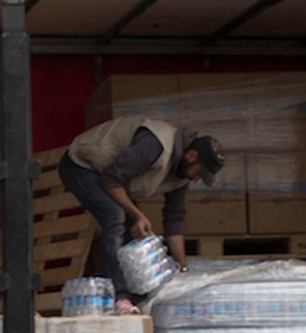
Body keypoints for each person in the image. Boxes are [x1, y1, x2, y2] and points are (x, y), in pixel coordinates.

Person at [60, 117, 224, 311]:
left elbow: (174, 219)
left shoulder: (182, 175)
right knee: (115, 215)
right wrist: (138, 215)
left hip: (115, 180)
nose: (197, 179)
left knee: (136, 233)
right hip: (83, 165)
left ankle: (138, 298)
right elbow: (111, 179)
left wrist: (183, 270)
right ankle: (119, 298)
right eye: (199, 173)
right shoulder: (155, 146)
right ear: (191, 155)